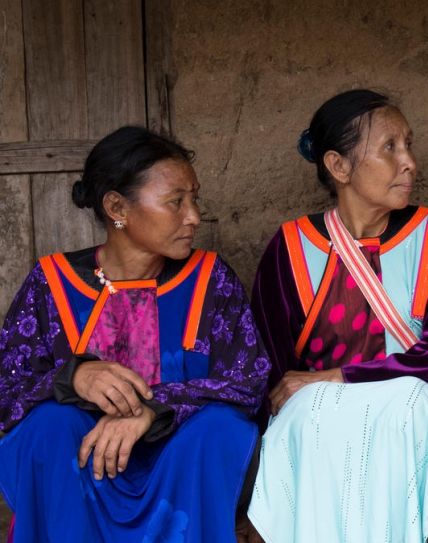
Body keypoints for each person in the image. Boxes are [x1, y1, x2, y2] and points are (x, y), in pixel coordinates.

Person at [0, 126, 269, 543]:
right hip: (84, 468)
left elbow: (249, 382)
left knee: (222, 427)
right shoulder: (51, 284)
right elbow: (7, 388)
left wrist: (155, 409)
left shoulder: (211, 280)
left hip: (180, 466)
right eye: (175, 202)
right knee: (50, 424)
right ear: (116, 207)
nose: (194, 215)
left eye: (194, 198)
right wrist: (74, 377)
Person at [243, 89, 428, 543]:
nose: (409, 161)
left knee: (409, 404)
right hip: (319, 418)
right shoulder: (291, 248)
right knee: (306, 412)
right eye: (390, 148)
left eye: (409, 144)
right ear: (338, 166)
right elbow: (273, 372)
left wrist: (334, 377)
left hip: (414, 409)